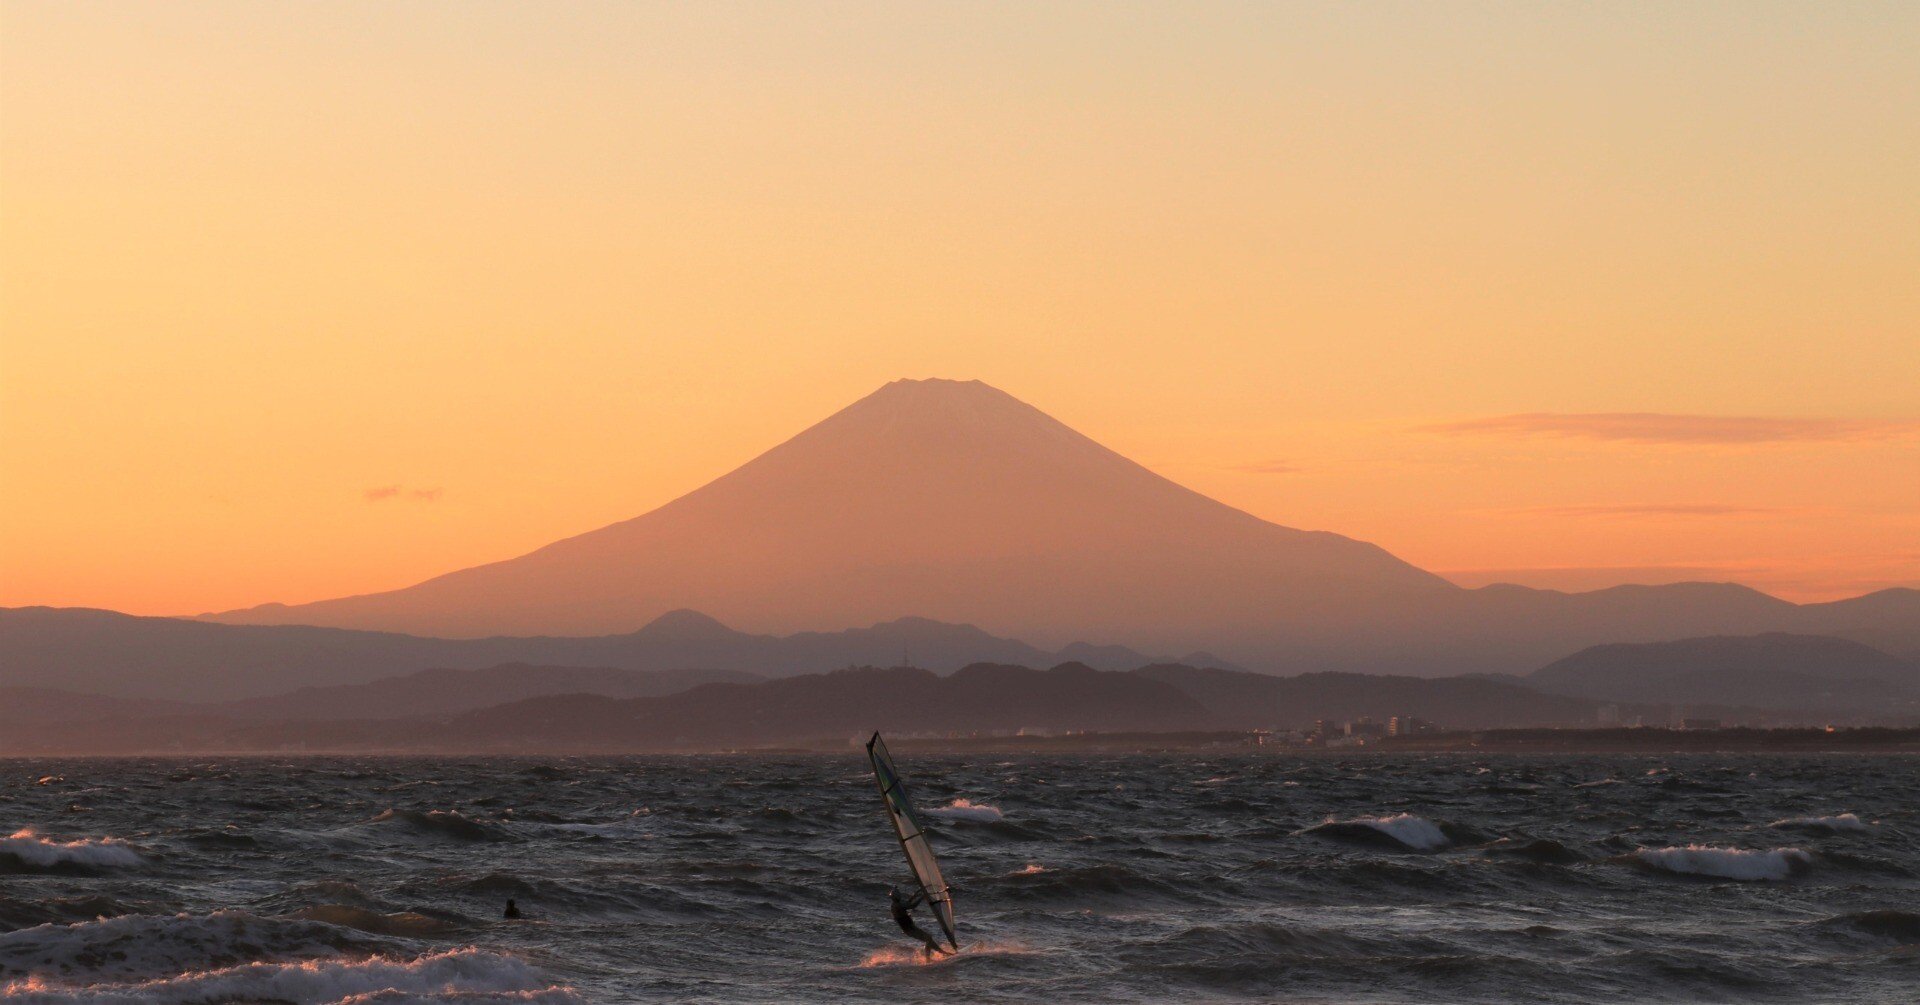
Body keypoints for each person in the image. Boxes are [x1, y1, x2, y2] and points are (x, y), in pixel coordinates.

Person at [888, 885, 945, 958]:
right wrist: (922, 897)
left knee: (929, 939)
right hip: (909, 930)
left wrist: (916, 894)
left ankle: (942, 952)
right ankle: (928, 959)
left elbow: (907, 903)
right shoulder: (897, 906)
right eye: (898, 895)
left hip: (911, 928)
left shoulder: (896, 903)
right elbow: (913, 906)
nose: (900, 896)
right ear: (896, 897)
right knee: (928, 938)